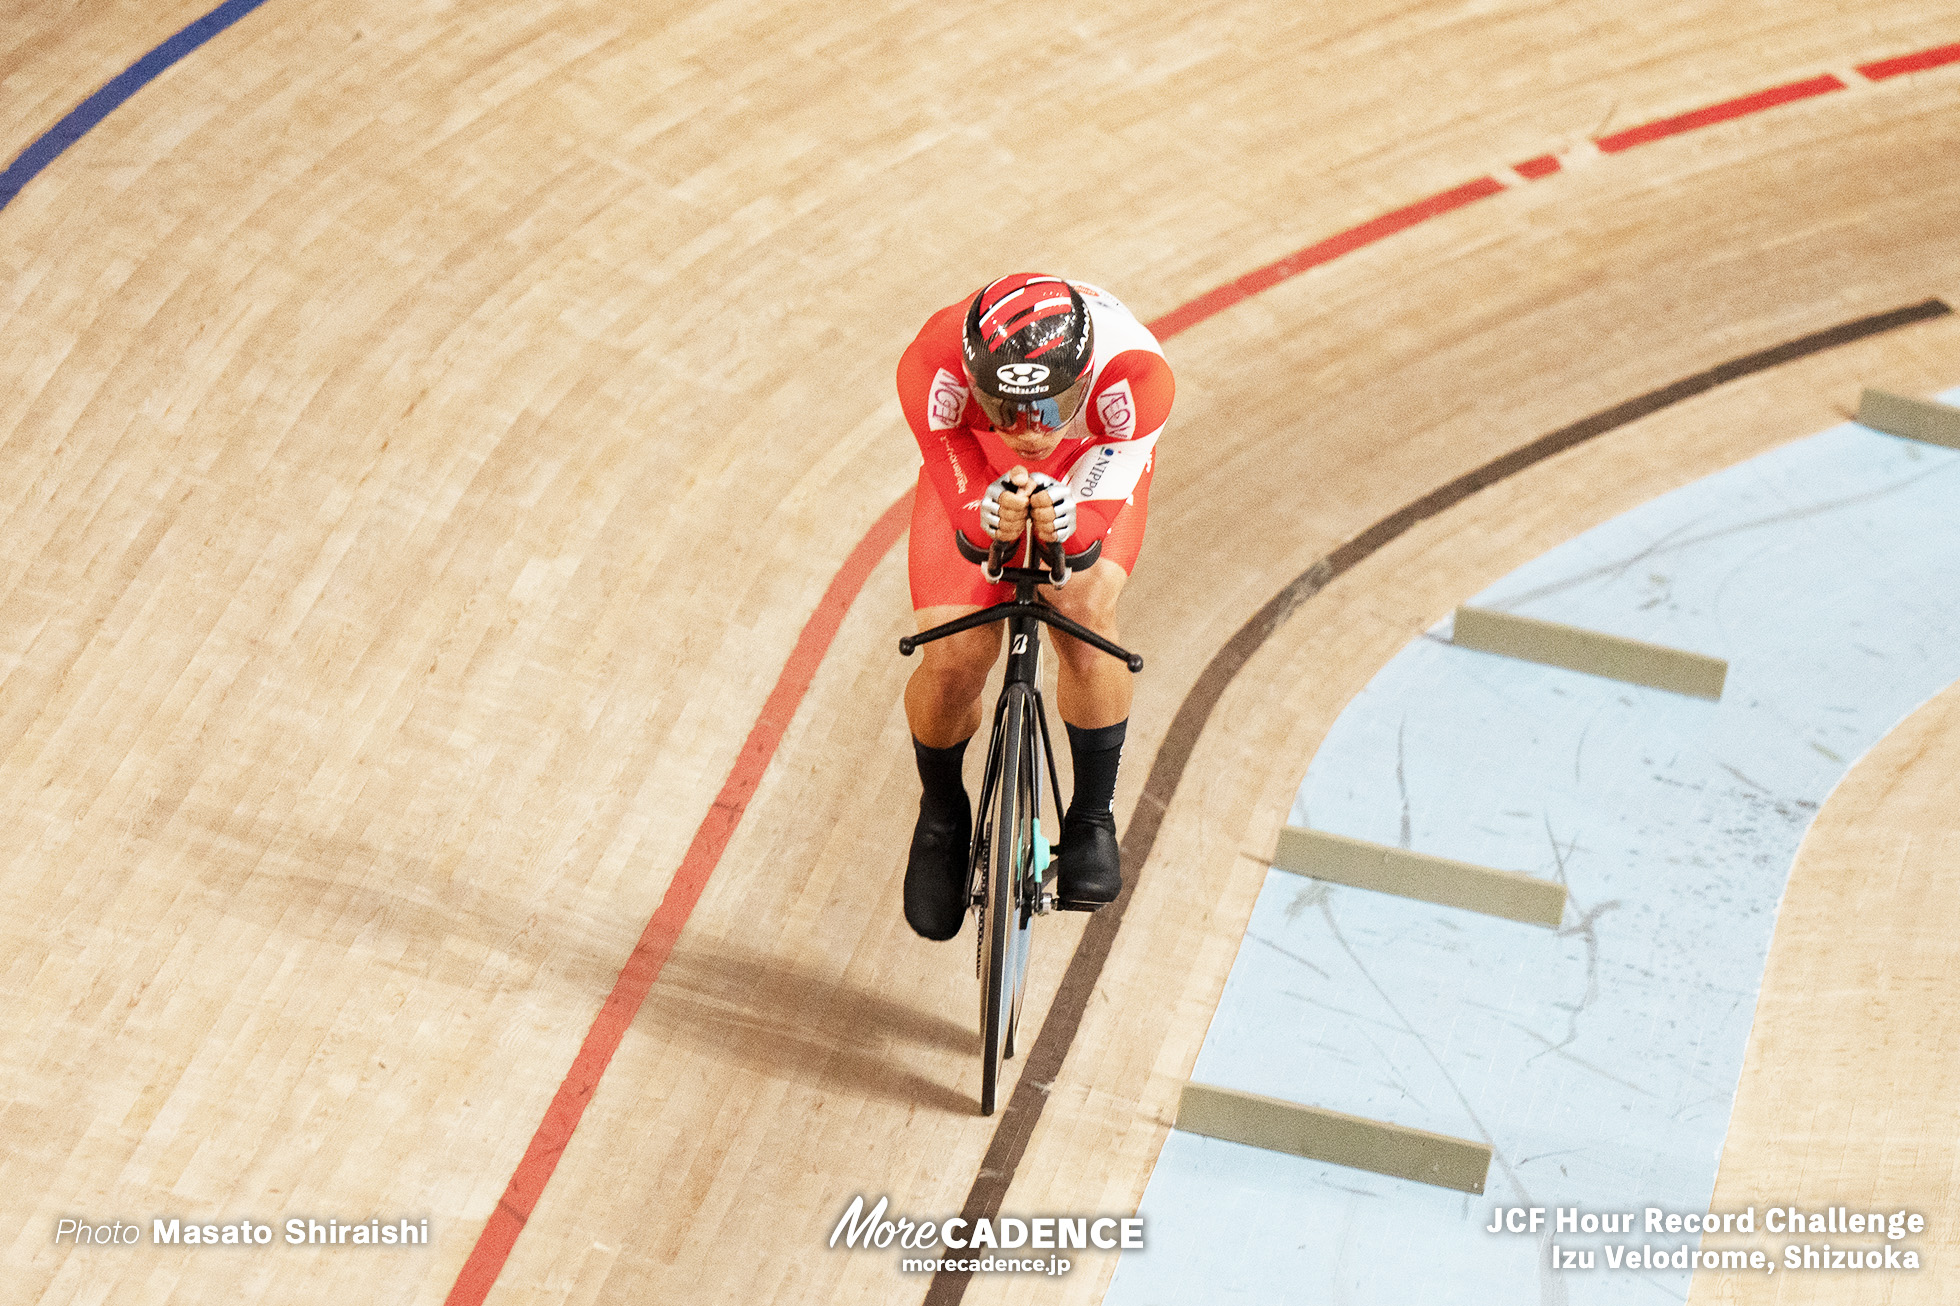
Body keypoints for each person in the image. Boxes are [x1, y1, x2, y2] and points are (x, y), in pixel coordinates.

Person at [895, 273, 1174, 940]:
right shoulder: (930, 363)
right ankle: (941, 814)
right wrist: (977, 510)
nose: (1026, 432)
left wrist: (1068, 519)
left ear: (1080, 379)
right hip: (973, 454)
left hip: (1096, 453)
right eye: (1005, 407)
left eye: (1048, 406)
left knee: (1081, 614)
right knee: (953, 654)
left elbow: (1081, 535)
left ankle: (1092, 816)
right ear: (973, 379)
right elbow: (955, 472)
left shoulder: (1136, 377)